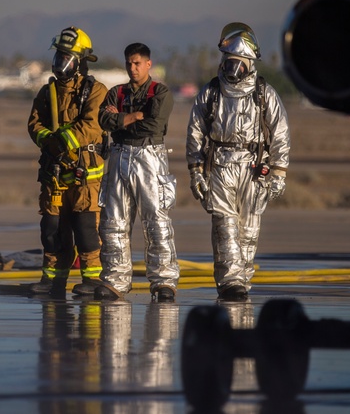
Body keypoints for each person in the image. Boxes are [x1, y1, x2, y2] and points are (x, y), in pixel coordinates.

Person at [186, 22, 291, 301]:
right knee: (224, 225)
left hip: (254, 167)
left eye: (238, 63)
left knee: (249, 229)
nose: (232, 69)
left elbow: (280, 134)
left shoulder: (264, 93)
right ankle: (231, 281)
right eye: (228, 62)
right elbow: (195, 133)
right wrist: (196, 172)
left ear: (249, 63)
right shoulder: (211, 92)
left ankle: (241, 281)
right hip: (219, 164)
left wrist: (278, 173)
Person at [87, 42, 180, 302]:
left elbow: (152, 125)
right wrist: (134, 115)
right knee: (113, 222)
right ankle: (115, 280)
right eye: (129, 63)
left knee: (156, 222)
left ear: (148, 64)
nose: (132, 68)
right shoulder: (116, 92)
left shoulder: (159, 92)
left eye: (137, 63)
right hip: (118, 157)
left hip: (150, 158)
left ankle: (164, 281)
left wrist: (122, 120)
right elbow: (104, 121)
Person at [27, 26, 109, 295]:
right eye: (58, 57)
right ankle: (52, 280)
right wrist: (48, 143)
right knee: (52, 230)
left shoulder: (96, 91)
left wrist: (61, 141)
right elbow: (34, 125)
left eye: (66, 58)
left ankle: (92, 280)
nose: (60, 63)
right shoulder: (46, 92)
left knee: (85, 229)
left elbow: (91, 126)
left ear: (80, 62)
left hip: (84, 175)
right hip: (54, 173)